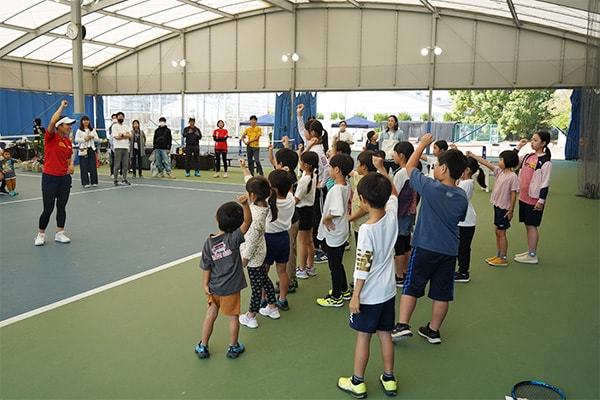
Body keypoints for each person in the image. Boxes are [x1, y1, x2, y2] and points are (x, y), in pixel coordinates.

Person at [391, 133, 468, 344]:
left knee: (412, 286)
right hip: (449, 251)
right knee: (442, 293)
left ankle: (402, 325)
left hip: (425, 247)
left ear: (443, 169)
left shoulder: (430, 187)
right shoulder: (462, 196)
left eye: (436, 166)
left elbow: (410, 168)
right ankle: (433, 330)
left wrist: (422, 144)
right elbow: (459, 217)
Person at [337, 162, 399, 399]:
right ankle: (389, 378)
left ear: (362, 199)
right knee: (385, 335)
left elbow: (362, 266)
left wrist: (355, 295)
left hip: (369, 295)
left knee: (363, 337)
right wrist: (382, 169)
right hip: (388, 292)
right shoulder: (392, 213)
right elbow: (393, 192)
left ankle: (357, 382)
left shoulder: (366, 230)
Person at [195, 195, 251, 359]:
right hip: (231, 289)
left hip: (215, 288)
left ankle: (203, 346)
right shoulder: (233, 239)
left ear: (217, 219)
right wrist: (246, 204)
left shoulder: (209, 243)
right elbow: (248, 222)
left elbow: (206, 266)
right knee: (233, 318)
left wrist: (205, 285)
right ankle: (233, 347)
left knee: (210, 315)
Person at [238, 160, 280, 328]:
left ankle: (251, 316)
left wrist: (245, 259)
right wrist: (243, 168)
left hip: (254, 256)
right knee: (265, 280)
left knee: (256, 287)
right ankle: (272, 306)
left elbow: (252, 241)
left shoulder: (256, 218)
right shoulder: (262, 205)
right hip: (261, 252)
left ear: (253, 196)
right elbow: (251, 182)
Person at [467, 150, 519, 267]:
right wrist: (473, 155)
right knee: (497, 231)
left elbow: (513, 194)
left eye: (501, 160)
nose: (499, 161)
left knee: (501, 232)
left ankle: (503, 257)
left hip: (504, 208)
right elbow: (486, 163)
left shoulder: (513, 177)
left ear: (508, 162)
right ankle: (499, 254)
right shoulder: (499, 171)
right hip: (497, 206)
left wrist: (511, 210)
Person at [34, 100, 76, 246]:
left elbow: (70, 155)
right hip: (50, 177)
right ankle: (40, 234)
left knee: (61, 207)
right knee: (48, 208)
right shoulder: (51, 137)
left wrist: (70, 165)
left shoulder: (68, 142)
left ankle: (60, 233)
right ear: (60, 126)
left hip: (64, 178)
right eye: (67, 125)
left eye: (71, 125)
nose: (70, 127)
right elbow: (52, 122)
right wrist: (61, 107)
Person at [316, 153, 354, 307]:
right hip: (341, 231)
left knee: (334, 266)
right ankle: (343, 290)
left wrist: (326, 219)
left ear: (337, 170)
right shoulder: (346, 185)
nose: (329, 170)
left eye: (330, 167)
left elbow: (337, 210)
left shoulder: (337, 189)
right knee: (338, 263)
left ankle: (336, 296)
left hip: (335, 232)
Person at [296, 106, 330, 264]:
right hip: (310, 186)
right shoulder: (310, 143)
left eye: (308, 131)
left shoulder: (318, 151)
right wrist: (299, 114)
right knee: (313, 215)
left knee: (318, 215)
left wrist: (321, 184)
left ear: (314, 134)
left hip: (315, 188)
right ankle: (316, 245)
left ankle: (320, 246)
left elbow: (327, 168)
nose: (304, 133)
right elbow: (301, 129)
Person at [513, 132, 553, 264]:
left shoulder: (545, 162)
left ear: (543, 143)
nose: (532, 142)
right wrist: (519, 146)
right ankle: (530, 250)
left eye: (536, 140)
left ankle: (532, 255)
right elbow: (511, 159)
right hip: (523, 197)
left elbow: (545, 183)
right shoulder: (528, 156)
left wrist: (541, 200)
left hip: (534, 200)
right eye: (532, 140)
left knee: (532, 226)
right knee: (528, 225)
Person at [264, 169, 295, 311]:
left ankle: (262, 299)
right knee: (282, 272)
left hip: (269, 239)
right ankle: (282, 299)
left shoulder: (267, 202)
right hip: (284, 238)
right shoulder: (291, 199)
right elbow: (288, 188)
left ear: (273, 188)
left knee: (262, 272)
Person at [391, 141, 419, 287]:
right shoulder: (413, 170)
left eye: (394, 153)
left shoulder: (401, 173)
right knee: (406, 240)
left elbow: (394, 193)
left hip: (400, 213)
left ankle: (399, 275)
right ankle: (406, 270)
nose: (393, 155)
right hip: (410, 211)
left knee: (400, 243)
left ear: (401, 155)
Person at [454, 156, 487, 282]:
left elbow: (457, 198)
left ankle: (463, 272)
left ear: (467, 170)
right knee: (460, 247)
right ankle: (461, 270)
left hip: (466, 222)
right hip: (463, 221)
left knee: (463, 248)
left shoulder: (467, 184)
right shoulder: (463, 182)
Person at [294, 150, 319, 279]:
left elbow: (296, 199)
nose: (300, 163)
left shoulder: (304, 180)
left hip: (302, 211)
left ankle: (302, 269)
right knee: (309, 241)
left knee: (303, 242)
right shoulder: (313, 175)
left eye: (302, 162)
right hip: (311, 210)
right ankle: (310, 266)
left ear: (307, 165)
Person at [348, 150, 377, 244]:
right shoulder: (362, 178)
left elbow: (365, 209)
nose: (356, 166)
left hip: (364, 223)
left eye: (358, 163)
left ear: (364, 166)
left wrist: (351, 217)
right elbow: (351, 173)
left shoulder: (368, 183)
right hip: (359, 224)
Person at [75, 115, 99, 188]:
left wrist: (93, 137)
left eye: (87, 120)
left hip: (91, 149)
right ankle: (85, 182)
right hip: (83, 150)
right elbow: (76, 140)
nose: (86, 122)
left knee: (93, 166)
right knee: (84, 167)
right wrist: (84, 139)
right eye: (84, 120)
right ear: (82, 122)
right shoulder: (79, 130)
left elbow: (97, 139)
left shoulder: (92, 130)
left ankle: (94, 181)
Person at [111, 111, 132, 186]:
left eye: (122, 117)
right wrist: (124, 136)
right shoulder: (114, 127)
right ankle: (115, 179)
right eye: (119, 117)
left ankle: (124, 178)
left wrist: (122, 135)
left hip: (125, 147)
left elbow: (130, 135)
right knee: (117, 164)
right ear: (117, 118)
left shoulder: (126, 126)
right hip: (118, 147)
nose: (121, 118)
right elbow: (116, 137)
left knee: (125, 164)